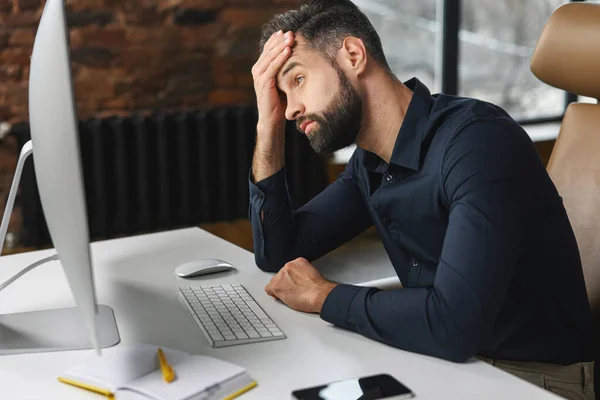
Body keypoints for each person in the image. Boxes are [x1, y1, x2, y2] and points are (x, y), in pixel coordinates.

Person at [247, 1, 595, 398]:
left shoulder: (478, 143)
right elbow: (276, 251)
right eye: (281, 97)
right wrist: (267, 124)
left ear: (353, 55)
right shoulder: (372, 162)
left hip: (533, 379)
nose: (291, 109)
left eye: (297, 80)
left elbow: (455, 326)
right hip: (443, 358)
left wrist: (324, 295)